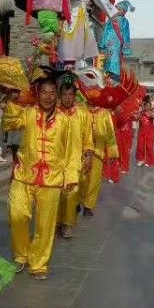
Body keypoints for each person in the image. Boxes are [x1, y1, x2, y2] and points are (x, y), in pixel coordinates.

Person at [3, 76, 82, 278]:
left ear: (57, 95)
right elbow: (9, 123)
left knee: (45, 225)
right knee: (17, 214)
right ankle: (21, 255)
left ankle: (38, 263)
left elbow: (73, 150)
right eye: (44, 92)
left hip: (52, 179)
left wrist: (70, 175)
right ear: (38, 94)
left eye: (52, 92)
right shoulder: (28, 113)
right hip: (24, 174)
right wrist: (12, 101)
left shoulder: (66, 121)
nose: (48, 97)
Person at [57, 0, 118, 68]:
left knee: (74, 47)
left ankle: (71, 68)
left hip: (78, 14)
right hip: (63, 15)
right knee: (64, 47)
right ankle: (67, 68)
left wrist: (112, 13)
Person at [57, 78, 94, 238]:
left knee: (72, 193)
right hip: (55, 161)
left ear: (74, 96)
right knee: (56, 194)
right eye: (64, 94)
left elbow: (88, 138)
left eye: (70, 94)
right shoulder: (53, 112)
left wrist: (88, 155)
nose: (67, 97)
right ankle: (56, 222)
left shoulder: (83, 114)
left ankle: (67, 223)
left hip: (74, 161)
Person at [80, 105, 118, 217]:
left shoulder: (105, 113)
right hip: (81, 152)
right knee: (80, 179)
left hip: (98, 153)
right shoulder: (81, 110)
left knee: (94, 181)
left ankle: (88, 206)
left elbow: (110, 134)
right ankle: (76, 201)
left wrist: (112, 152)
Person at [99, 0, 135, 81]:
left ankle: (114, 75)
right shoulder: (111, 20)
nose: (117, 11)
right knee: (109, 57)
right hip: (109, 42)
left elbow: (126, 34)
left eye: (119, 10)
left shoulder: (124, 21)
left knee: (114, 58)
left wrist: (125, 47)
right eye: (116, 9)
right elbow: (105, 31)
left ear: (124, 11)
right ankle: (109, 74)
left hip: (117, 43)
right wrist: (103, 43)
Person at [136, 96, 154, 167]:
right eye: (146, 106)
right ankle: (141, 160)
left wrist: (149, 113)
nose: (147, 107)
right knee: (140, 146)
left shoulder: (152, 112)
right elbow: (136, 118)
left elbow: (153, 116)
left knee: (149, 146)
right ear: (144, 106)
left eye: (149, 106)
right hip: (141, 132)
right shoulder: (141, 113)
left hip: (149, 132)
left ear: (150, 107)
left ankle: (148, 160)